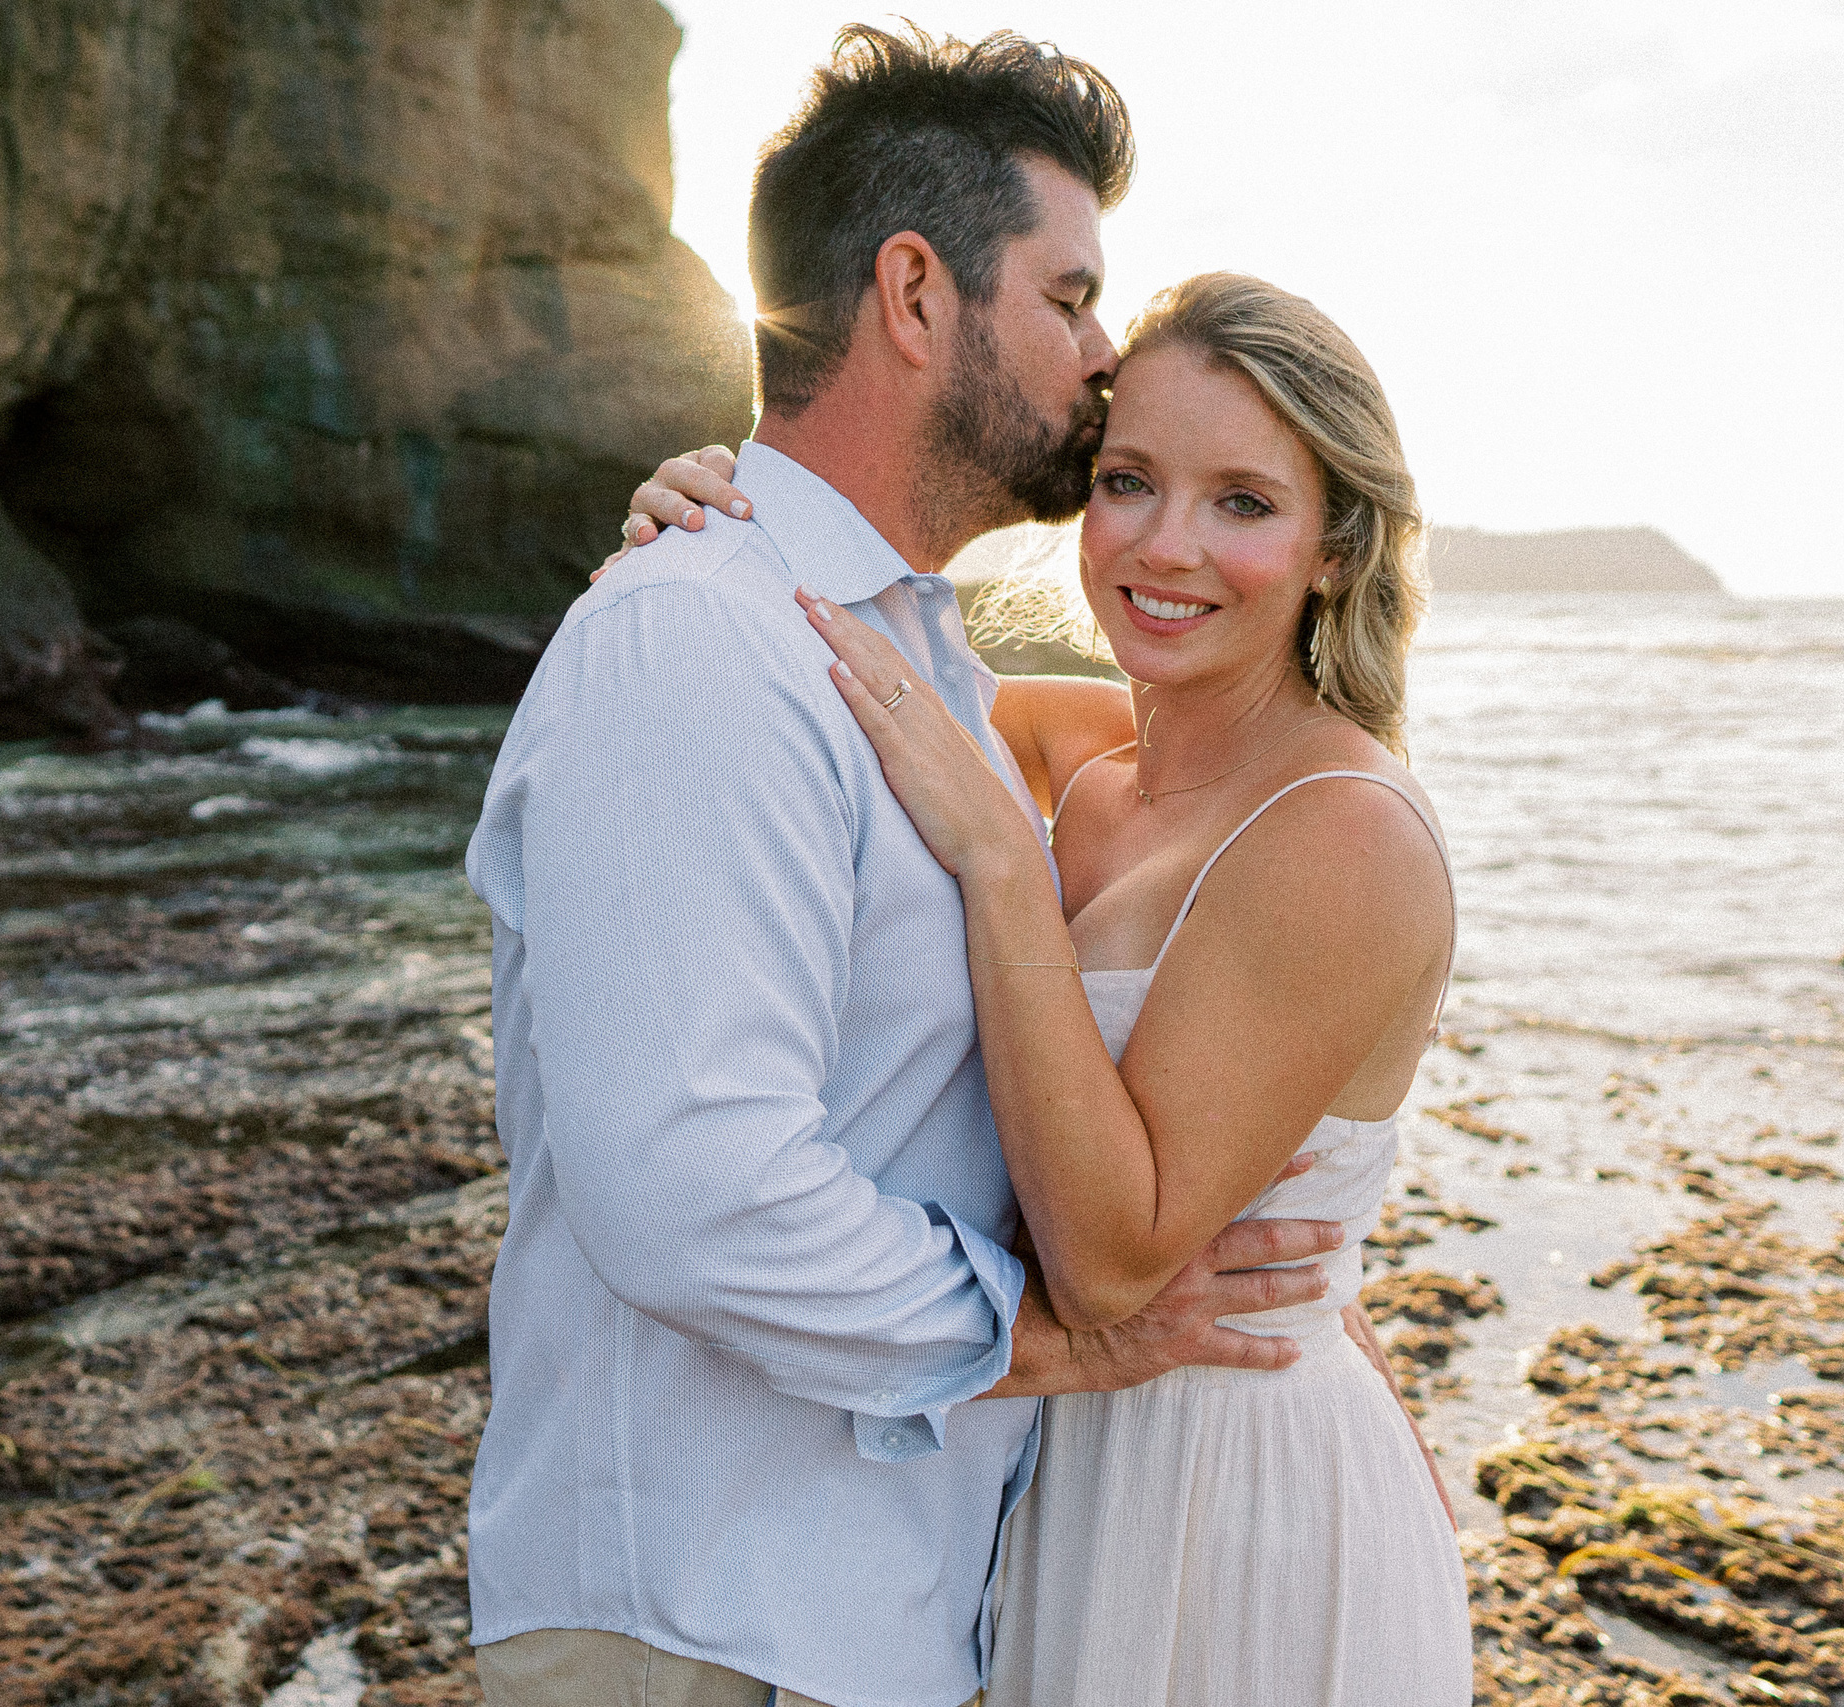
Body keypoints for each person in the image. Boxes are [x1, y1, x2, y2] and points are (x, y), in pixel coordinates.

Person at [461, 28, 1351, 1707]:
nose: (1102, 360)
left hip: (864, 1615)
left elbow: (1242, 780)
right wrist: (1056, 1337)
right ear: (919, 297)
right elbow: (693, 1191)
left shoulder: (900, 659)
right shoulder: (696, 645)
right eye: (1071, 297)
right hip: (703, 1624)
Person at [619, 272, 1472, 1702]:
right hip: (1044, 1465)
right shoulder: (1060, 750)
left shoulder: (1346, 834)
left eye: (1244, 503)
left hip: (1240, 1497)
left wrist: (1004, 878)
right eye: (1130, 481)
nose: (1166, 545)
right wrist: (694, 526)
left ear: (1336, 547)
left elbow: (1111, 1259)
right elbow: (797, 660)